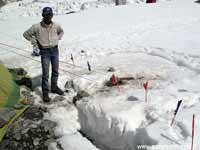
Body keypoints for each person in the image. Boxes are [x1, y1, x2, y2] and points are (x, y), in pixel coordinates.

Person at [23, 7, 64, 102]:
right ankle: (45, 93)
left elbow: (61, 31)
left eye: (50, 15)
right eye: (46, 15)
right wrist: (34, 42)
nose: (48, 17)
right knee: (45, 74)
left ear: (52, 15)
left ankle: (54, 87)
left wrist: (58, 38)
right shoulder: (37, 27)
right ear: (43, 15)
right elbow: (26, 34)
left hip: (55, 50)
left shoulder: (56, 25)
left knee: (55, 71)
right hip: (45, 51)